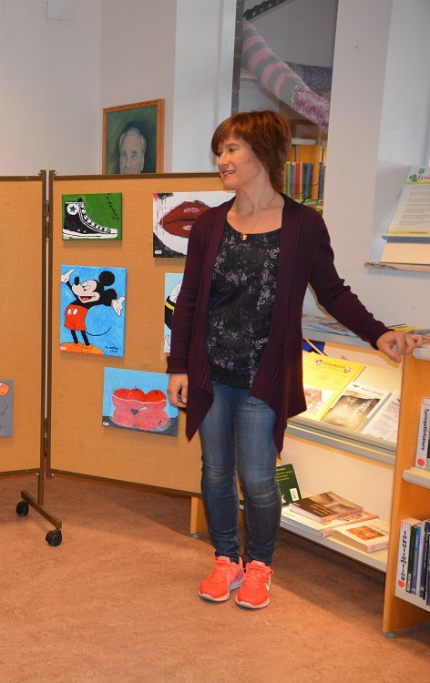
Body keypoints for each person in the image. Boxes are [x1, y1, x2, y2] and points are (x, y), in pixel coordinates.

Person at [166, 110, 423, 610]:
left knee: (259, 477)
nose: (223, 159)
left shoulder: (304, 225)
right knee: (215, 470)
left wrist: (380, 333)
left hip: (265, 375)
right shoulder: (210, 225)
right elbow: (190, 300)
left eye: (232, 149)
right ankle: (226, 559)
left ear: (264, 154)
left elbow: (332, 292)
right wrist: (179, 365)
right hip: (209, 371)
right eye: (220, 150)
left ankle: (259, 564)